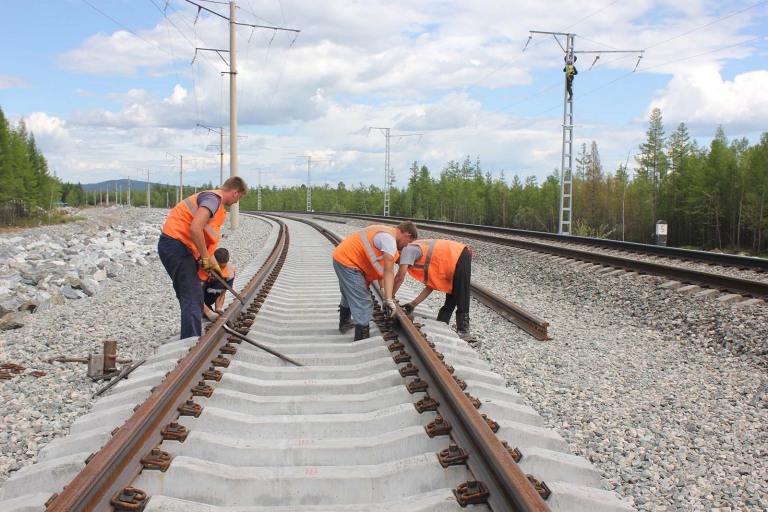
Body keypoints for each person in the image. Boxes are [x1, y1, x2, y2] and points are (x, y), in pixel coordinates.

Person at [158, 176, 248, 338]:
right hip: (176, 245)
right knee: (192, 294)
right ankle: (190, 341)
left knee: (190, 292)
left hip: (179, 246)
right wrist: (206, 259)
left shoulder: (215, 203)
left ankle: (193, 332)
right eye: (239, 197)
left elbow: (204, 241)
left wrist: (213, 267)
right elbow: (195, 228)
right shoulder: (212, 200)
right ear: (235, 192)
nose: (237, 202)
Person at [333, 222, 418, 341]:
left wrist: (384, 292)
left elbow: (380, 265)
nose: (406, 247)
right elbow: (388, 271)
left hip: (343, 258)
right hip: (348, 263)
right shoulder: (389, 240)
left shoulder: (386, 231)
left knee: (349, 293)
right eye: (409, 243)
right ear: (407, 235)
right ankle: (361, 340)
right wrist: (388, 299)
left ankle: (344, 324)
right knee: (364, 302)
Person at [392, 238, 474, 341]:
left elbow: (400, 276)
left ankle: (464, 332)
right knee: (452, 294)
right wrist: (413, 304)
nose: (398, 264)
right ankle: (442, 322)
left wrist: (390, 297)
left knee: (462, 293)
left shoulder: (408, 250)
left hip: (458, 254)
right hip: (451, 257)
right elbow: (431, 285)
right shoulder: (416, 254)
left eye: (397, 261)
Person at [202, 247, 235, 323]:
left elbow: (222, 292)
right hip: (197, 302)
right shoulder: (205, 269)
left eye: (224, 266)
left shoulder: (230, 272)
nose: (221, 269)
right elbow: (195, 295)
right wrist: (209, 313)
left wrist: (218, 309)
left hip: (209, 300)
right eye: (219, 266)